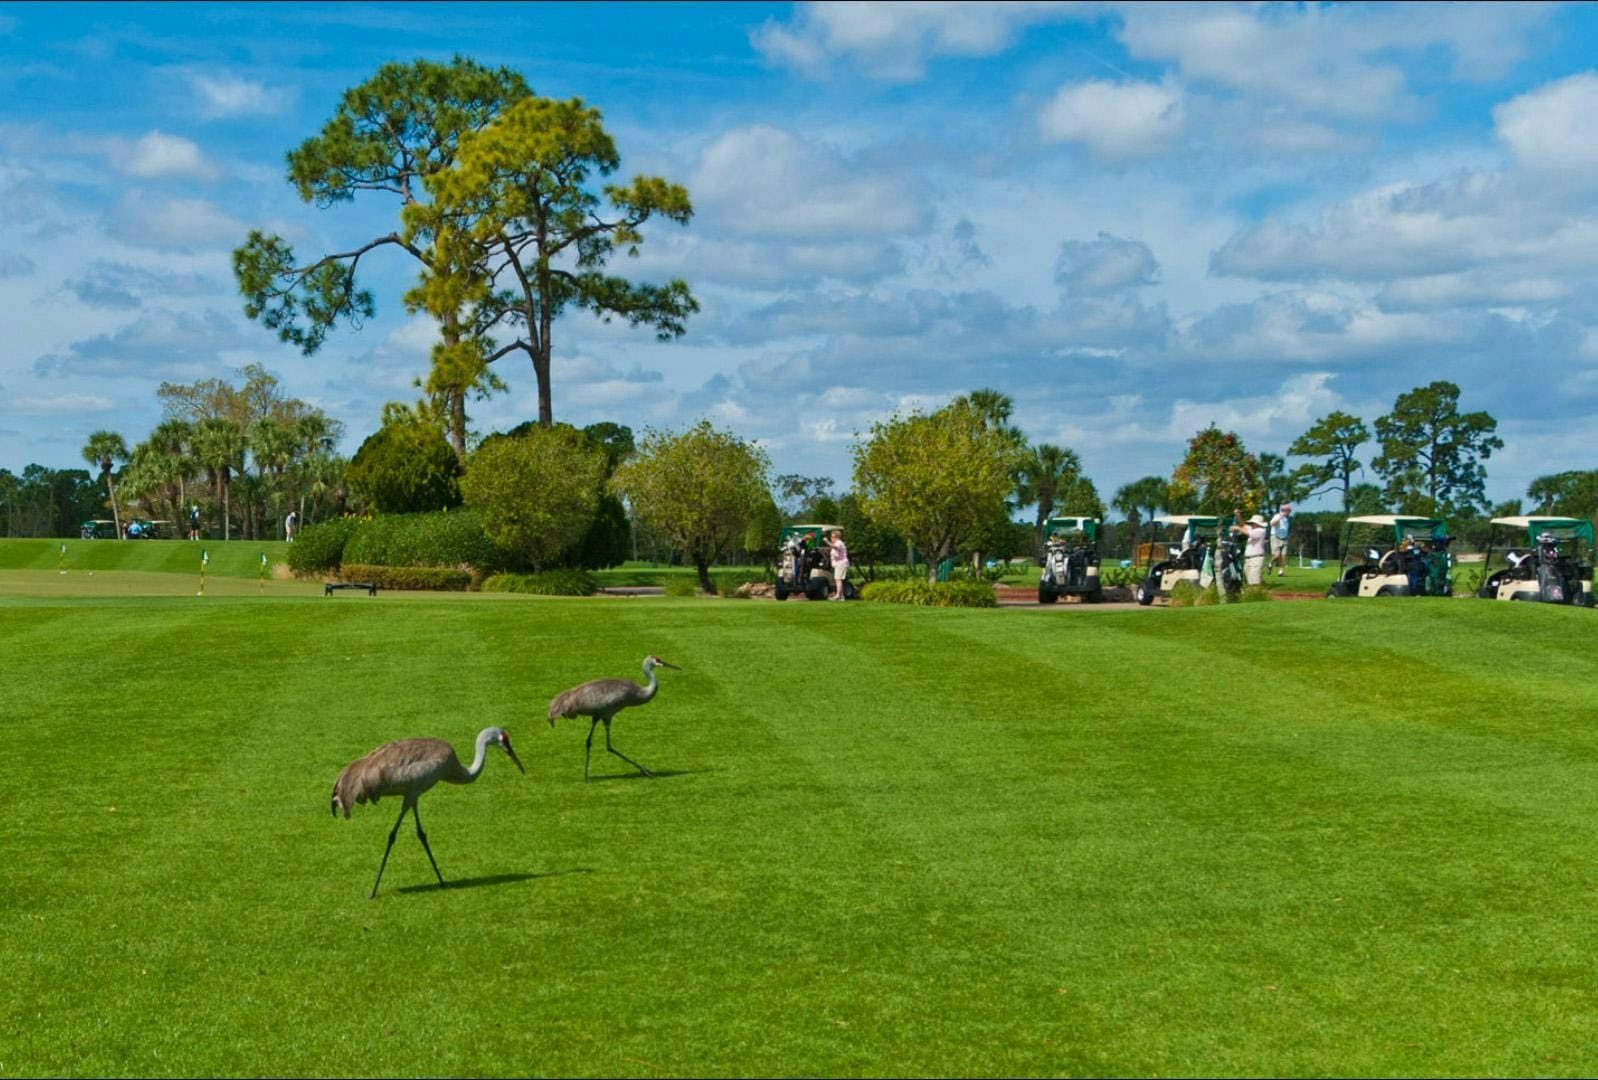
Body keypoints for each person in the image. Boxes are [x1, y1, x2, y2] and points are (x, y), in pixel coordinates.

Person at [1233, 510, 1269, 585]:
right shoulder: (1253, 529)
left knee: (1254, 581)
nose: (1251, 524)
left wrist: (1237, 528)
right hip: (1249, 559)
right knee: (1248, 581)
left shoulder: (1261, 531)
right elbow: (1243, 525)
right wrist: (1238, 516)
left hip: (1256, 559)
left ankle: (1255, 595)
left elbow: (1248, 533)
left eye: (1253, 523)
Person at [1269, 503, 1292, 577]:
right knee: (1277, 555)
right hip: (1275, 537)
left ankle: (1281, 571)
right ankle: (1270, 563)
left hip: (1284, 538)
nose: (1290, 512)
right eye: (1289, 510)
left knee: (1283, 555)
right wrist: (1280, 518)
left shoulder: (1287, 518)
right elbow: (1272, 524)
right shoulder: (1277, 516)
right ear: (1285, 510)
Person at [828, 529, 850, 600]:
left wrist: (827, 542)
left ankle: (838, 595)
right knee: (838, 579)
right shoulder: (837, 543)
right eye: (831, 537)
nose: (832, 538)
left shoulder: (838, 543)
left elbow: (835, 548)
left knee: (838, 579)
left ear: (837, 537)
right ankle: (841, 596)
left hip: (841, 564)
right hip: (838, 564)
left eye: (833, 537)